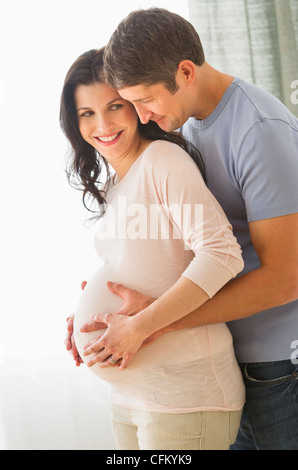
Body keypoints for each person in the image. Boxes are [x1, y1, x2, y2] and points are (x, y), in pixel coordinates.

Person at [70, 8, 298, 450]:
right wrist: (104, 317)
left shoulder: (259, 130)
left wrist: (150, 323)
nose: (140, 116)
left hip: (278, 367)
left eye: (143, 101)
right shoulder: (182, 122)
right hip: (225, 353)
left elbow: (286, 277)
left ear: (186, 72)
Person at [60, 47, 245, 450]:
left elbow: (222, 254)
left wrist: (137, 328)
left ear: (136, 106)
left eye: (114, 106)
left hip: (186, 397)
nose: (103, 124)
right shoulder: (114, 184)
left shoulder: (162, 159)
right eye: (86, 113)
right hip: (133, 397)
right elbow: (148, 266)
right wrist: (94, 319)